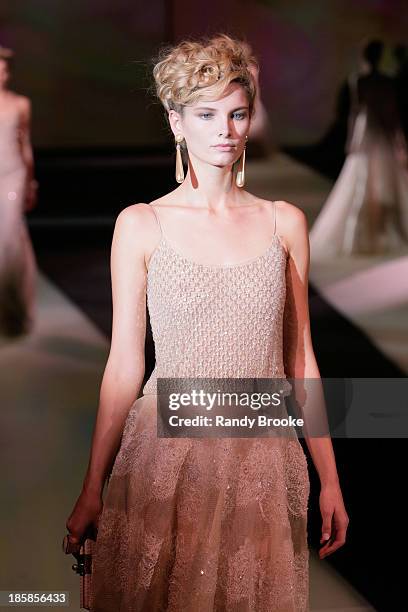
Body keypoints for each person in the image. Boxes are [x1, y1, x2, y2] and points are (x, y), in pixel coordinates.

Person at [65, 34, 349, 611]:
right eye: (206, 113)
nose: (224, 129)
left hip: (261, 459)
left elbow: (300, 361)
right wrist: (93, 485)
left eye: (237, 113)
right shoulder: (142, 225)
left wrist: (332, 480)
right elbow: (124, 363)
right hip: (166, 457)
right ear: (176, 122)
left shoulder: (284, 223)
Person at [310, 39, 408, 258]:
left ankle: (363, 233)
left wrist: (352, 140)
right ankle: (377, 231)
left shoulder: (359, 80)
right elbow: (391, 116)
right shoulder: (385, 81)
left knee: (364, 180)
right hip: (379, 133)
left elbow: (356, 112)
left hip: (366, 132)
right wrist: (399, 140)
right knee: (381, 180)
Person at [0, 45, 37, 338]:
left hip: (13, 173)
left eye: (3, 68)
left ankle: (15, 310)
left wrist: (31, 181)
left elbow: (25, 145)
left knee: (10, 236)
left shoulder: (20, 103)